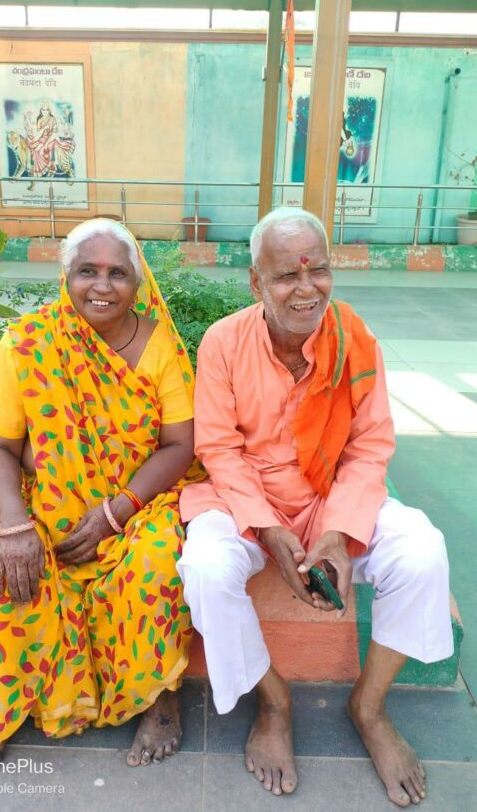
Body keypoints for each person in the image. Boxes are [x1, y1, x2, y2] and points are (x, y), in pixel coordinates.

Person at [177, 207, 453, 807]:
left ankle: (369, 707)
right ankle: (274, 703)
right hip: (247, 500)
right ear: (256, 282)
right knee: (205, 568)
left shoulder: (354, 339)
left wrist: (338, 531)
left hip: (331, 494)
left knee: (422, 551)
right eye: (287, 276)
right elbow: (219, 449)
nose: (307, 289)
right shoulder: (223, 341)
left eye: (319, 270)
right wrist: (267, 529)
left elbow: (370, 445)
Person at [0, 218, 202, 766]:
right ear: (65, 277)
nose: (102, 285)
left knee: (158, 567)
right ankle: (7, 698)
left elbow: (179, 445)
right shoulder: (27, 343)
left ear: (138, 285)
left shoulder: (161, 346)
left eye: (118, 273)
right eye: (87, 271)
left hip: (140, 505)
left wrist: (116, 512)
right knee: (9, 576)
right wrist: (15, 525)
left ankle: (161, 697)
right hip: (51, 507)